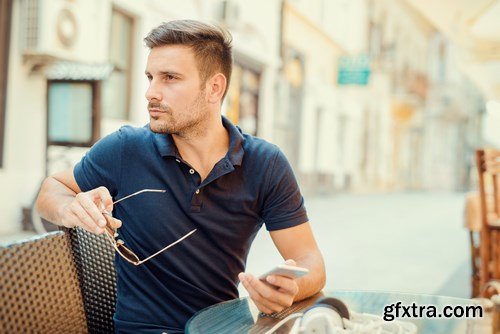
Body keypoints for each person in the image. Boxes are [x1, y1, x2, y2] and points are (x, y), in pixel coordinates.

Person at [36, 19, 326, 333]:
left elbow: (309, 259)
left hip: (223, 327)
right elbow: (52, 189)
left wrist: (291, 288)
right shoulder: (126, 149)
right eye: (150, 77)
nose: (151, 93)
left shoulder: (265, 163)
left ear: (214, 87)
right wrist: (69, 207)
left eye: (169, 78)